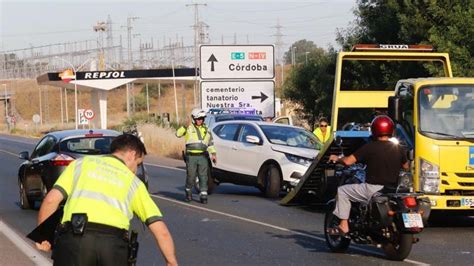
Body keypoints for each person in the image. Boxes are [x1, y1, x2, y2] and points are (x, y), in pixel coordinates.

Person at [35, 134, 178, 266]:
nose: (136, 170)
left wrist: (44, 236)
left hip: (74, 242)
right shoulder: (134, 183)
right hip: (113, 248)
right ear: (132, 154)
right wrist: (171, 261)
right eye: (138, 164)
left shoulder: (80, 164)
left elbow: (50, 201)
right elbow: (160, 230)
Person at [328, 115, 409, 236]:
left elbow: (348, 161)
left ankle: (343, 225)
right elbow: (406, 166)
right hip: (392, 189)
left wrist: (337, 158)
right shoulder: (398, 148)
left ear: (374, 129)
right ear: (391, 130)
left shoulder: (370, 147)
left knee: (342, 191)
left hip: (372, 189)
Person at [176, 108, 217, 204]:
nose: (200, 120)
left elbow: (210, 144)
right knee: (191, 176)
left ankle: (203, 195)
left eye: (202, 118)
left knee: (203, 176)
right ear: (194, 119)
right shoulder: (188, 128)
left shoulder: (207, 129)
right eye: (198, 119)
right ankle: (188, 191)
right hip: (191, 157)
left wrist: (213, 154)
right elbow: (177, 134)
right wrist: (184, 127)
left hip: (203, 156)